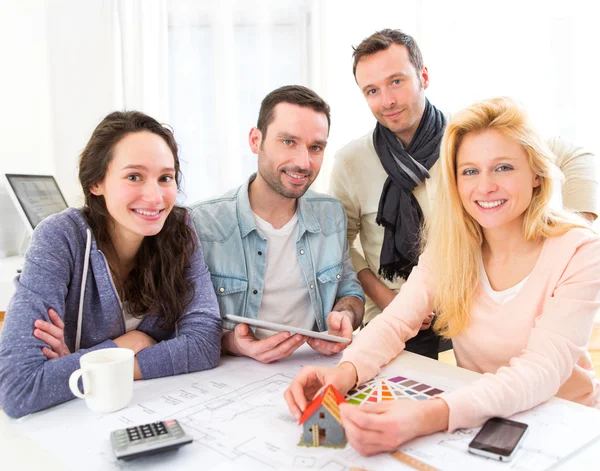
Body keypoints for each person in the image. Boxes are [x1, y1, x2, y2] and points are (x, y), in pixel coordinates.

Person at [285, 97, 600, 455]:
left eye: (503, 168)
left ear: (537, 176)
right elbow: (394, 324)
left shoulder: (580, 250)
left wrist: (425, 416)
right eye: (469, 171)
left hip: (567, 431)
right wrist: (344, 374)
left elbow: (540, 372)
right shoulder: (451, 248)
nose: (484, 187)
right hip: (484, 421)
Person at [330, 29, 599, 358]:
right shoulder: (350, 161)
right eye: (372, 90)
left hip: (472, 310)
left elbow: (576, 157)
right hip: (395, 311)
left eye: (396, 81)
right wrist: (385, 296)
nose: (387, 100)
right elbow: (341, 244)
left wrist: (573, 236)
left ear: (423, 76)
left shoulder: (471, 139)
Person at [0, 111, 222, 418]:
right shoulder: (59, 237)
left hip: (145, 408)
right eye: (134, 177)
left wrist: (91, 362)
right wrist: (131, 343)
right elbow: (19, 388)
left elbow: (203, 345)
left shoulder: (179, 229)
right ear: (96, 183)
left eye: (165, 178)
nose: (155, 196)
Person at [190, 85, 365, 364]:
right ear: (255, 140)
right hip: (232, 376)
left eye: (315, 147)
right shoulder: (201, 224)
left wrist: (345, 315)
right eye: (288, 142)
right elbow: (181, 325)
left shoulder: (331, 214)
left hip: (313, 368)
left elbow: (350, 292)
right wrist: (233, 343)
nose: (303, 162)